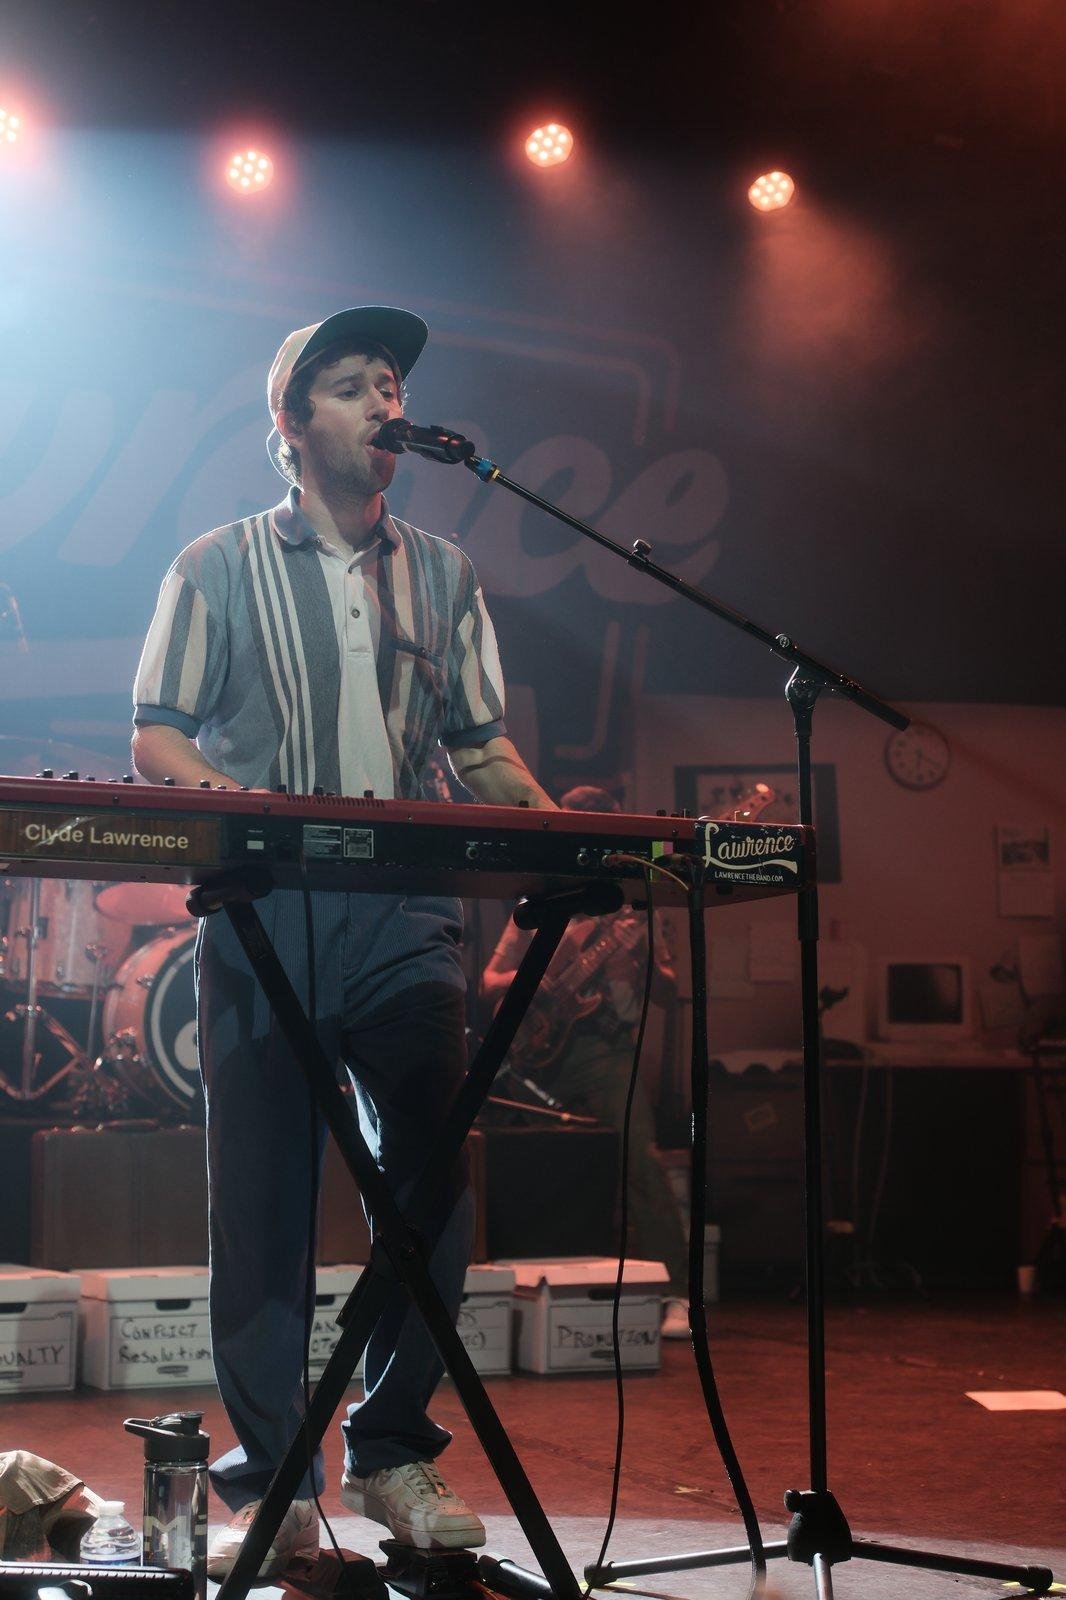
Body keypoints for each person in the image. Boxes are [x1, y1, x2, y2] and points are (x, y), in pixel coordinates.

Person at [132, 306, 555, 1578]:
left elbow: (477, 748)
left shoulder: (444, 572)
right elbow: (156, 730)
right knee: (260, 1205)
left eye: (393, 382)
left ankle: (388, 1447)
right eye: (353, 384)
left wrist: (581, 842)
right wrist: (239, 822)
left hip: (405, 921)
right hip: (265, 916)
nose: (386, 400)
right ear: (291, 423)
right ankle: (277, 1481)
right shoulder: (215, 564)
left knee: (430, 1181)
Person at [481, 785, 691, 1339]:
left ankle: (676, 1294)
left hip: (605, 1049)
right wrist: (545, 982)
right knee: (528, 1164)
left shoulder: (640, 906)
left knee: (637, 1162)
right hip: (534, 1052)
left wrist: (641, 972)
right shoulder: (545, 895)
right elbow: (490, 982)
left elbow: (671, 990)